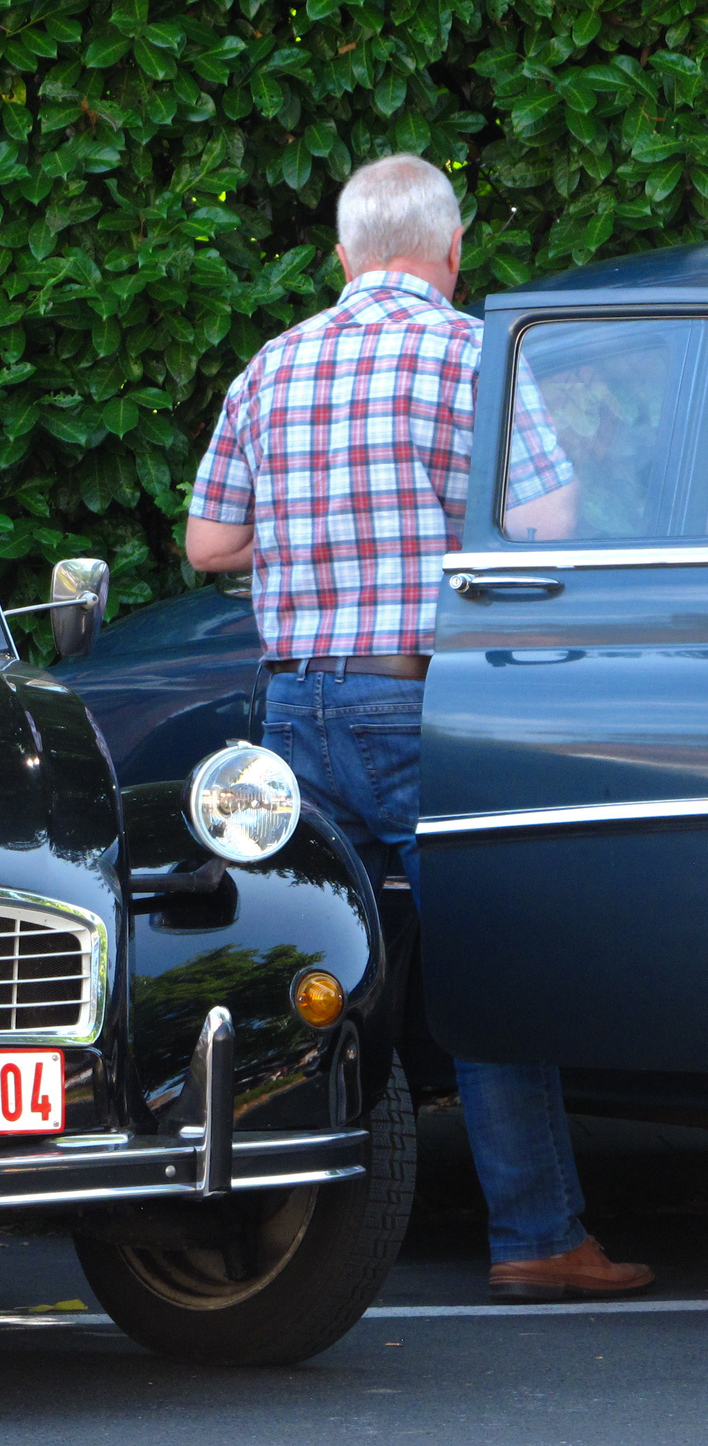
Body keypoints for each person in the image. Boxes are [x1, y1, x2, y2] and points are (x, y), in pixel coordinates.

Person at [181, 153, 652, 1303]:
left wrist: (315, 534)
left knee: (301, 964)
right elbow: (543, 521)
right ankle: (536, 1235)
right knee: (487, 963)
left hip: (292, 704)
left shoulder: (272, 364)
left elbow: (208, 546)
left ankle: (276, 1229)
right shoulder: (468, 354)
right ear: (449, 252)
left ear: (341, 256)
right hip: (419, 702)